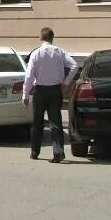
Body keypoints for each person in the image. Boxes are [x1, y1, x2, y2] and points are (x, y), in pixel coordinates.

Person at [23, 27, 77, 163]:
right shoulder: (59, 51)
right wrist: (65, 83)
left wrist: (25, 95)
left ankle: (35, 151)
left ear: (41, 38)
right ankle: (58, 152)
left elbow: (29, 76)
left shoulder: (36, 53)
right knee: (55, 122)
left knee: (37, 122)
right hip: (55, 91)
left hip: (39, 91)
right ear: (52, 38)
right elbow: (75, 66)